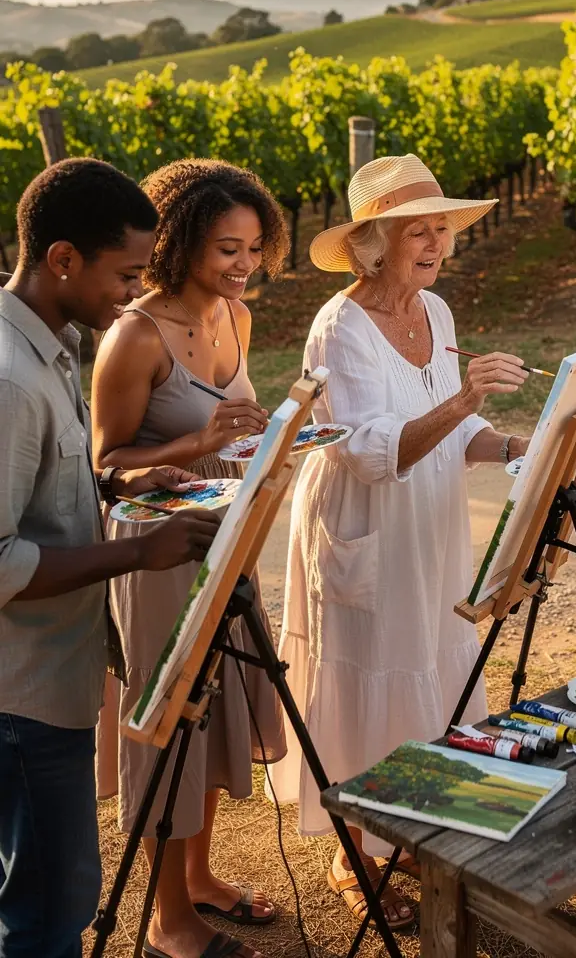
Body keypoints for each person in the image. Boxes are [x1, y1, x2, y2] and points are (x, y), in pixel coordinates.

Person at [272, 154, 531, 928]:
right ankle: (354, 852)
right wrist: (463, 402)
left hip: (429, 525)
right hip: (367, 525)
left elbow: (457, 430)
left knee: (429, 659)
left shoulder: (437, 311)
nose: (437, 243)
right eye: (418, 230)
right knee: (368, 676)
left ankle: (407, 823)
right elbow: (368, 449)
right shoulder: (339, 325)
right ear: (373, 243)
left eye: (443, 228)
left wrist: (516, 445)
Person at [0, 158, 221, 958]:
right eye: (126, 273)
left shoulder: (47, 344)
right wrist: (139, 556)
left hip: (47, 678)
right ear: (64, 259)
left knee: (51, 892)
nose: (135, 292)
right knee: (48, 913)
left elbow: (35, 483)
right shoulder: (9, 378)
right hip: (21, 696)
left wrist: (111, 480)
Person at [92, 160, 290, 958]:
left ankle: (201, 878)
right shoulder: (133, 335)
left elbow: (231, 425)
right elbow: (106, 463)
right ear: (177, 244)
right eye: (224, 250)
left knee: (210, 702)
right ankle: (170, 919)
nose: (242, 266)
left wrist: (274, 434)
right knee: (166, 716)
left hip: (224, 525)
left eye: (252, 248)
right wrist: (199, 444)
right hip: (157, 544)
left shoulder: (234, 316)